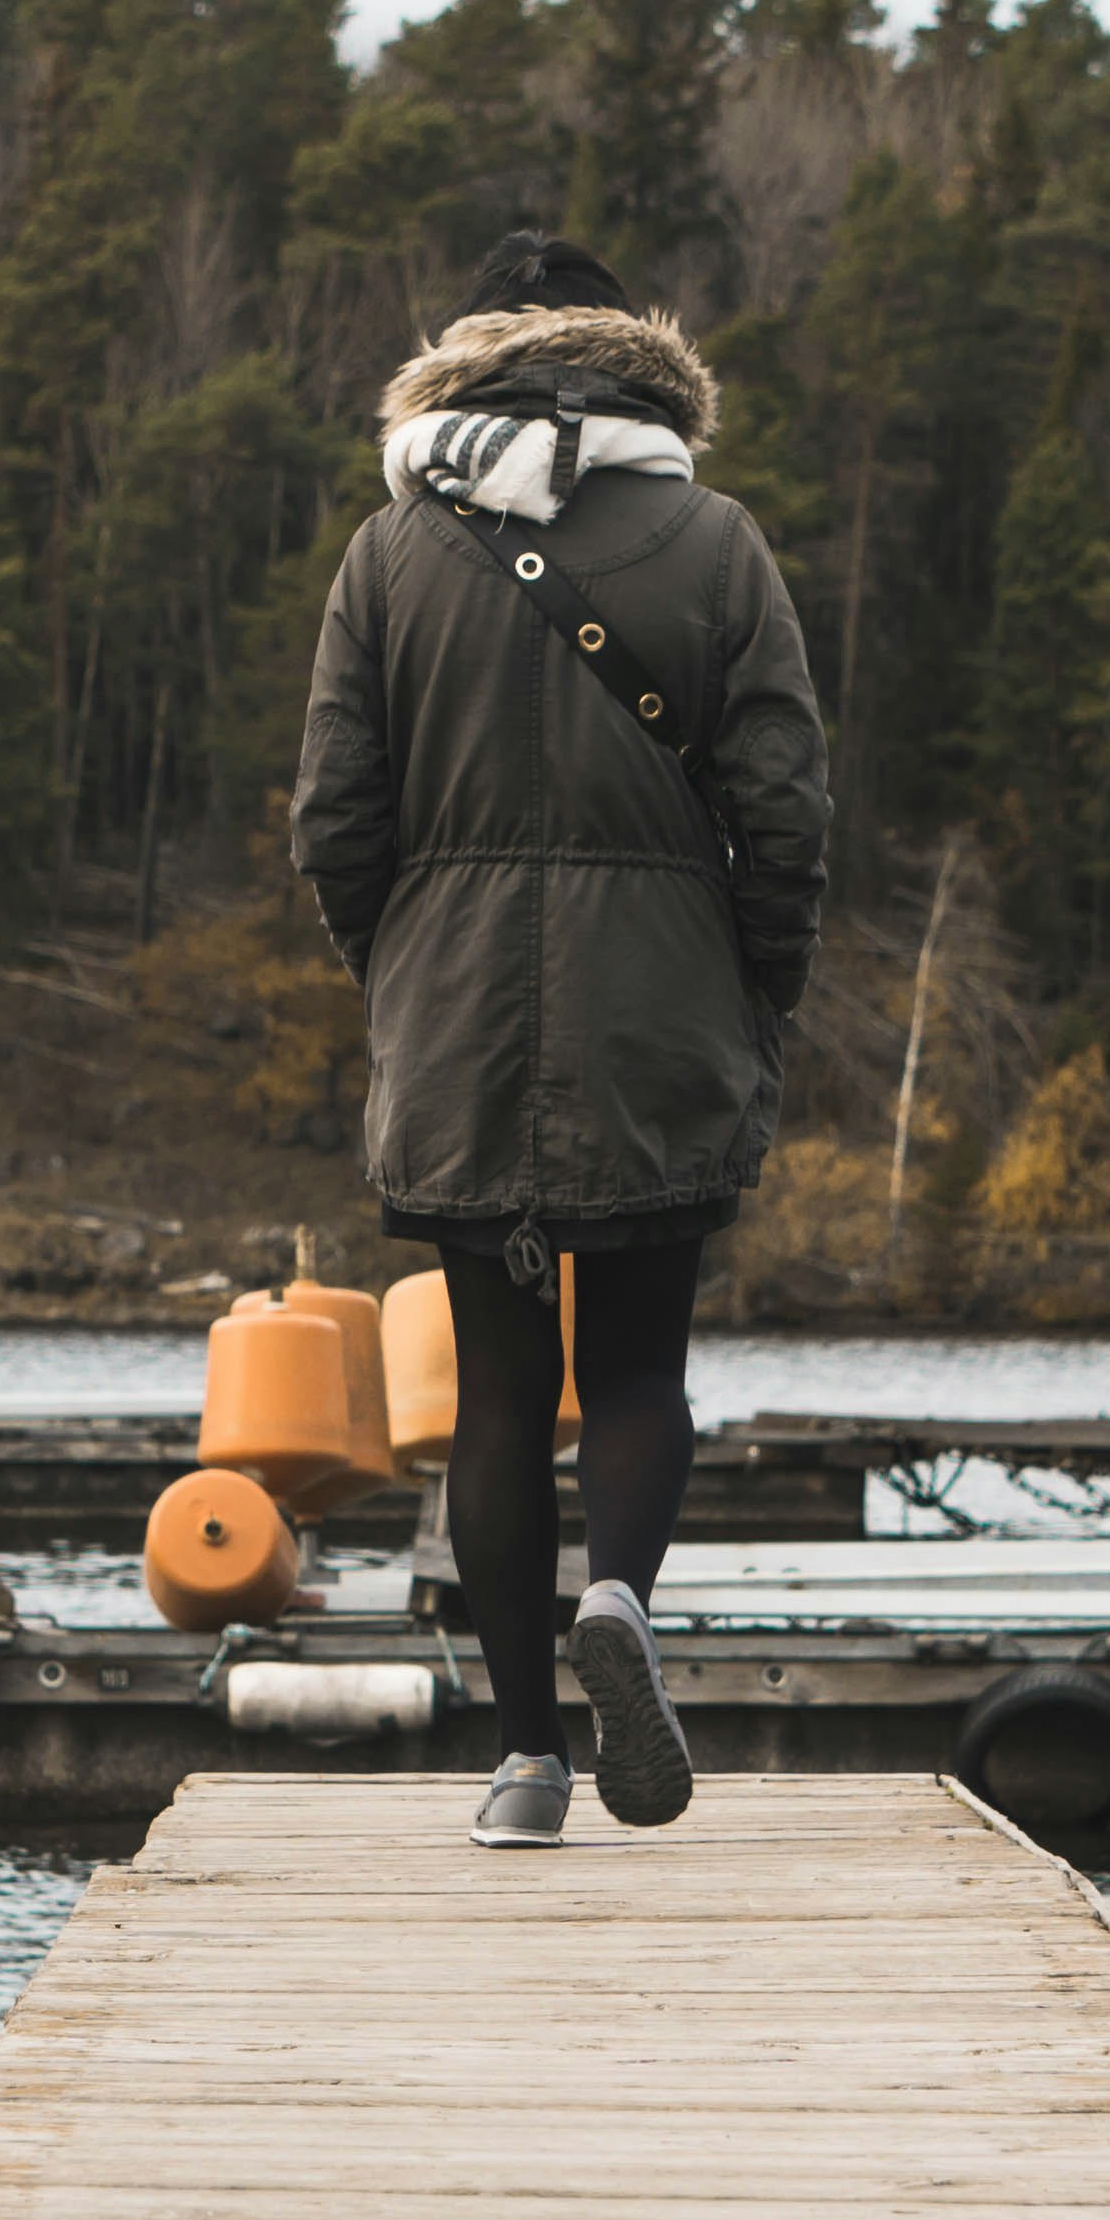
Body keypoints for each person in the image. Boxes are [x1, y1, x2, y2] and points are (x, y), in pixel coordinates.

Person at [293, 232, 831, 1847]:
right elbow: (785, 805)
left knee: (502, 1394)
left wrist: (394, 969)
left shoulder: (388, 554)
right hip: (660, 1000)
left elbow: (332, 817)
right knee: (643, 1364)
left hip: (455, 1013)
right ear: (638, 356)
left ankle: (527, 1760)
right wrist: (761, 986)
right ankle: (624, 1598)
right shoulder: (716, 539)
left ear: (462, 357)